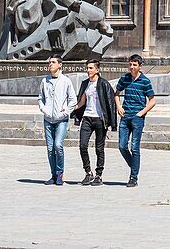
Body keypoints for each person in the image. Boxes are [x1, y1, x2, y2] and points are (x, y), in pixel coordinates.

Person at [72, 58, 117, 186]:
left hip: (100, 119)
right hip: (87, 117)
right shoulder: (85, 83)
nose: (88, 70)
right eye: (87, 68)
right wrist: (72, 108)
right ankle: (88, 172)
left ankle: (99, 175)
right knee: (82, 146)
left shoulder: (104, 84)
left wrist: (112, 123)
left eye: (91, 68)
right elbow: (82, 101)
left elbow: (110, 103)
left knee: (99, 148)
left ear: (97, 70)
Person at [115, 54, 156, 187]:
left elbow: (152, 101)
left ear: (140, 66)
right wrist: (118, 106)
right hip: (125, 116)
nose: (132, 67)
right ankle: (134, 166)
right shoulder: (125, 78)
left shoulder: (145, 81)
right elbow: (116, 93)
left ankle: (133, 177)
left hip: (137, 118)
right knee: (122, 146)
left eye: (134, 65)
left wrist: (141, 113)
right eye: (130, 64)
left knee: (134, 147)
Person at [38, 55, 77, 185]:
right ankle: (53, 175)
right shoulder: (45, 81)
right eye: (49, 63)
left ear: (60, 65)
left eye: (53, 62)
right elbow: (40, 98)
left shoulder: (66, 81)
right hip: (48, 119)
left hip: (61, 120)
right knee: (50, 148)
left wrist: (65, 112)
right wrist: (44, 109)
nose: (50, 65)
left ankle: (60, 173)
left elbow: (73, 100)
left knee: (58, 145)